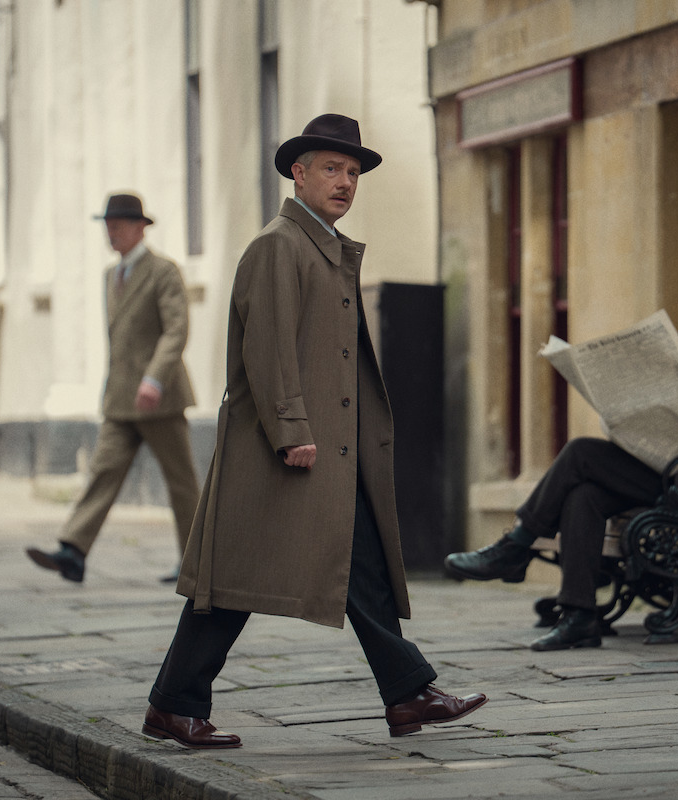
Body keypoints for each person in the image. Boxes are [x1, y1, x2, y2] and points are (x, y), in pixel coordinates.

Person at [141, 114, 486, 749]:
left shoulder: (321, 246)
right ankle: (173, 704)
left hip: (329, 447)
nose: (346, 182)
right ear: (298, 174)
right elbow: (269, 352)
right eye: (332, 168)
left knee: (359, 566)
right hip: (287, 448)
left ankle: (406, 694)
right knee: (232, 582)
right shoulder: (281, 244)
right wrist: (292, 431)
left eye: (353, 172)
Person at [444, 251, 678, 652]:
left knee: (580, 455)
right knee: (584, 494)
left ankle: (516, 546)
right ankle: (579, 618)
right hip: (672, 471)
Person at [26, 193, 199, 584]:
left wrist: (154, 378)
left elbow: (176, 330)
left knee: (182, 482)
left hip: (160, 398)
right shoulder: (111, 275)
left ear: (140, 228)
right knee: (103, 472)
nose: (111, 232)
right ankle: (73, 551)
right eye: (108, 225)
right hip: (120, 400)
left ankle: (198, 563)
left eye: (118, 225)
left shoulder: (163, 272)